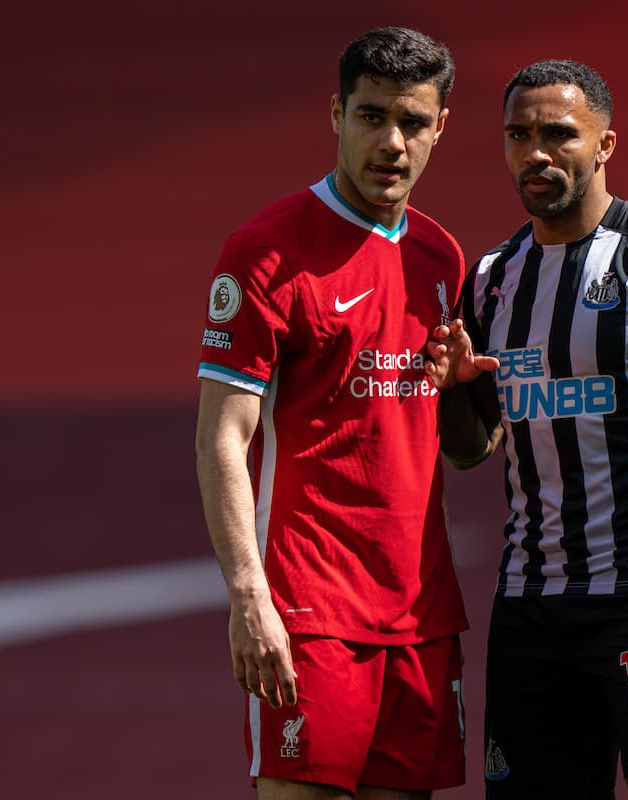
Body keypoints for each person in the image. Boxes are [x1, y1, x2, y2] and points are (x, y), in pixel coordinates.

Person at [429, 59, 628, 799]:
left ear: (606, 144)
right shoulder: (489, 280)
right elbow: (470, 449)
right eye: (519, 135)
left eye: (559, 134)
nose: (536, 153)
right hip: (531, 603)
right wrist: (453, 392)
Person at [194, 27, 470, 800]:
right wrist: (250, 597)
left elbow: (462, 446)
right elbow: (223, 435)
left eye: (412, 122)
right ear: (335, 114)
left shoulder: (443, 258)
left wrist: (472, 394)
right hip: (309, 612)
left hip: (421, 615)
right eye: (370, 116)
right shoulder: (265, 252)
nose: (391, 141)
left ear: (440, 126)